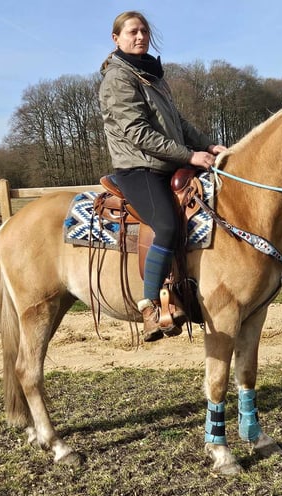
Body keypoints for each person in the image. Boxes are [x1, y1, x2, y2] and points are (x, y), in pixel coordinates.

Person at [98, 11, 227, 342]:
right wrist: (188, 155)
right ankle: (150, 306)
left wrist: (207, 145)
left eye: (143, 31)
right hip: (139, 167)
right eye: (132, 32)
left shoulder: (152, 76)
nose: (140, 37)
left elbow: (178, 124)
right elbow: (137, 133)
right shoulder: (118, 79)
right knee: (167, 225)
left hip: (166, 162)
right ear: (117, 39)